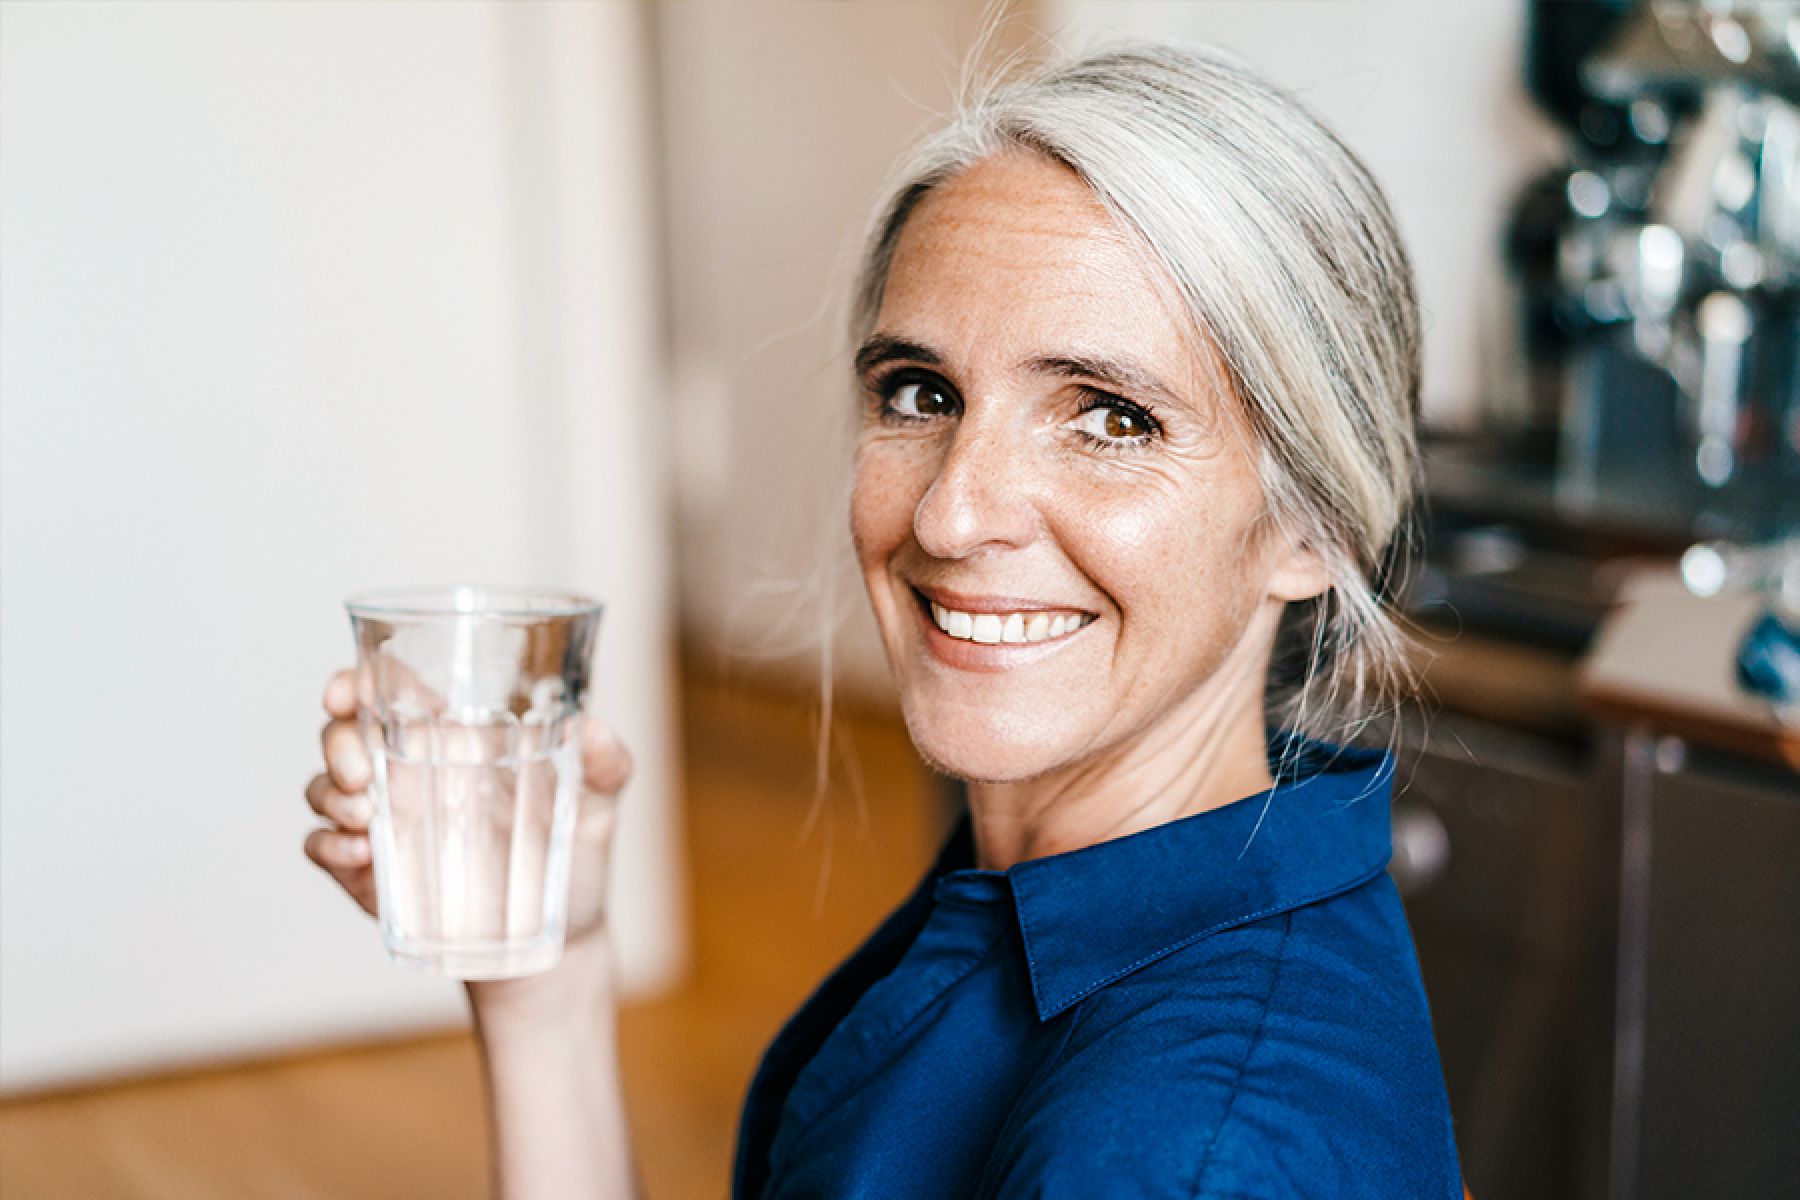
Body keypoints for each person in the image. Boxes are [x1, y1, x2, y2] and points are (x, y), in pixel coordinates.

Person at [305, 41, 1462, 1199]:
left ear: (1312, 527)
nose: (953, 513)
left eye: (1110, 418)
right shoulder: (1084, 885)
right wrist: (545, 974)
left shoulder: (1179, 1156)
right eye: (922, 394)